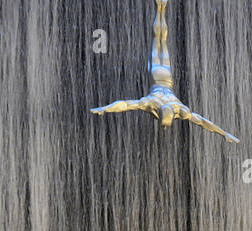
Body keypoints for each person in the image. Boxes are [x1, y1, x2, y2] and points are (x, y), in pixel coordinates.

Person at [91, 0, 238, 143]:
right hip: (158, 74)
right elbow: (202, 121)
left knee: (161, 40)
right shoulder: (160, 105)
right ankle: (161, 8)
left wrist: (104, 109)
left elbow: (125, 105)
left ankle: (161, 8)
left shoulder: (165, 106)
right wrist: (224, 134)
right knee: (159, 40)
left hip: (166, 76)